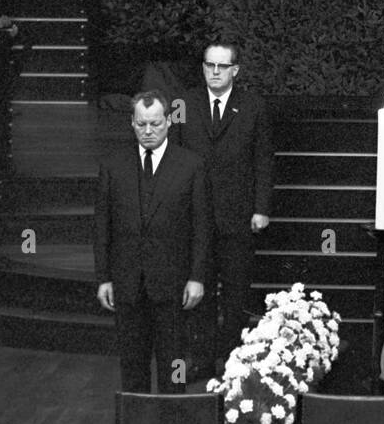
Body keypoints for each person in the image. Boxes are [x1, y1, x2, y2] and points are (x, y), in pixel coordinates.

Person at [94, 90, 210, 393]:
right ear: (132, 123)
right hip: (128, 282)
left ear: (168, 122)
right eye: (142, 124)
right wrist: (103, 277)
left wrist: (197, 277)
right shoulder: (113, 165)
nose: (148, 131)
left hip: (173, 283)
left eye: (155, 124)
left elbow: (201, 226)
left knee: (174, 362)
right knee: (132, 363)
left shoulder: (191, 165)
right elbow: (102, 225)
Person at [177, 39, 274, 377]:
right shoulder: (184, 103)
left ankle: (233, 359)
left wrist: (261, 207)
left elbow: (262, 159)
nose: (214, 72)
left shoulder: (253, 106)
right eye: (209, 65)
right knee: (198, 289)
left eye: (222, 66)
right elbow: (173, 158)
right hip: (195, 216)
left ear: (235, 70)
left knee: (235, 292)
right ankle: (201, 359)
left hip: (238, 216)